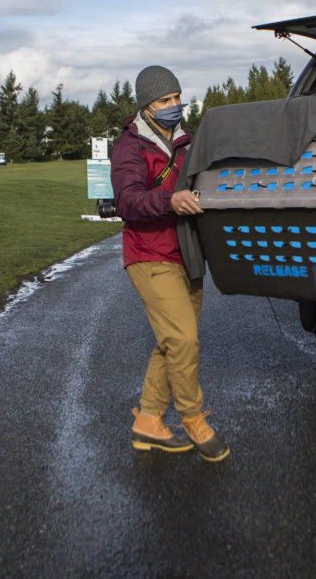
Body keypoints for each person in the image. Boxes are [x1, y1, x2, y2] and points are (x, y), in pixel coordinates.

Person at [110, 64, 230, 462]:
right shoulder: (130, 147)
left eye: (177, 98)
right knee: (183, 340)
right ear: (146, 106)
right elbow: (127, 201)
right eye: (164, 100)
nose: (174, 106)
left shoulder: (190, 142)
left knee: (172, 341)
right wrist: (169, 200)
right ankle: (193, 420)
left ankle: (147, 420)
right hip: (148, 254)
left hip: (188, 253)